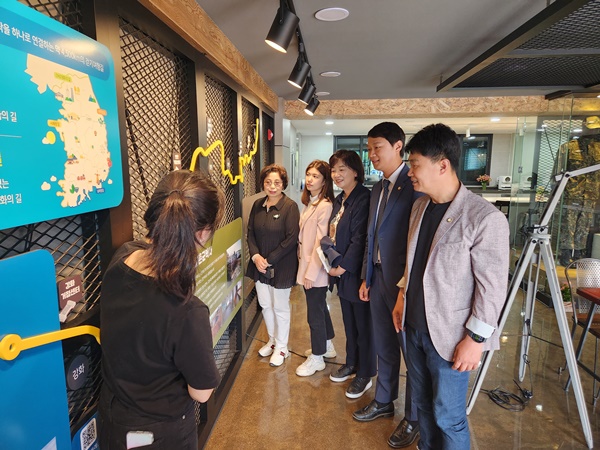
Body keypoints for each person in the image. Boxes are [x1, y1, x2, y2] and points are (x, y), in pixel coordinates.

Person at [393, 123, 509, 450]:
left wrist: (475, 339)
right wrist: (402, 295)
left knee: (448, 417)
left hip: (451, 336)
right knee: (423, 407)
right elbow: (414, 261)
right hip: (414, 329)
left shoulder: (484, 218)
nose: (410, 172)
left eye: (415, 165)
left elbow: (492, 288)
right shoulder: (420, 206)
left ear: (442, 165)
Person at [98, 169, 223, 449]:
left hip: (112, 416)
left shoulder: (123, 256)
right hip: (158, 433)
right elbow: (202, 393)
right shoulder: (187, 310)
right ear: (203, 233)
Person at [353, 122, 420, 449]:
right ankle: (384, 400)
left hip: (403, 283)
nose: (372, 154)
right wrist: (366, 276)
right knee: (384, 345)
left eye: (377, 147)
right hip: (378, 277)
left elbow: (417, 242)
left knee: (411, 351)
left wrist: (406, 287)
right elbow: (371, 236)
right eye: (369, 148)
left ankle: (415, 417)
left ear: (398, 146)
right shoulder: (377, 188)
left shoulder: (415, 185)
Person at [326, 150, 376, 398]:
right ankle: (352, 362)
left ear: (355, 171)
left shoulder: (363, 199)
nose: (336, 175)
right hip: (342, 273)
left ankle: (365, 373)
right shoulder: (339, 200)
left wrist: (342, 267)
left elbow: (360, 240)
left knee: (363, 326)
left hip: (356, 273)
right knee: (349, 322)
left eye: (342, 169)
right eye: (333, 170)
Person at [247, 164, 300, 366]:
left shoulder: (290, 207)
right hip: (259, 265)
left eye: (277, 182)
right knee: (265, 305)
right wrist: (256, 257)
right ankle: (272, 341)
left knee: (280, 307)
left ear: (283, 184)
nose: (272, 186)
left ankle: (282, 347)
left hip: (282, 266)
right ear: (263, 184)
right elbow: (250, 233)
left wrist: (269, 260)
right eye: (268, 182)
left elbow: (291, 238)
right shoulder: (257, 205)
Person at [296, 160, 336, 376]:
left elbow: (321, 243)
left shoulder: (325, 205)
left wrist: (311, 274)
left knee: (314, 314)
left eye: (316, 176)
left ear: (324, 181)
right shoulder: (311, 202)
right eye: (308, 174)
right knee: (320, 308)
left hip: (316, 269)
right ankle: (327, 346)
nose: (310, 179)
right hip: (307, 265)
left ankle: (317, 357)